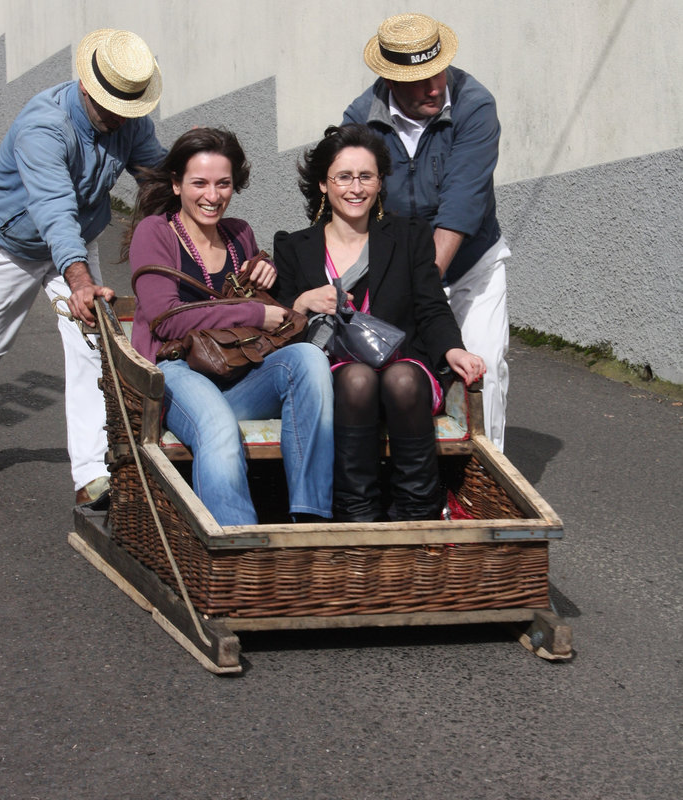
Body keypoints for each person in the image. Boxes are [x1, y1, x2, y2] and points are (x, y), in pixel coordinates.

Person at [0, 29, 168, 508]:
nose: (123, 116)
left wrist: (198, 200)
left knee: (93, 345)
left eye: (131, 106)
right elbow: (53, 208)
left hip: (74, 240)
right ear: (88, 86)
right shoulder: (44, 126)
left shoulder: (130, 121)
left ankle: (92, 474)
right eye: (115, 104)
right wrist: (80, 281)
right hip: (8, 244)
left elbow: (158, 177)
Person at [273, 124, 485, 522]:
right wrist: (303, 301)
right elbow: (279, 322)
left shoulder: (408, 236)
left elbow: (431, 305)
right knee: (357, 379)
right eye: (344, 177)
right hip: (334, 370)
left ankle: (418, 512)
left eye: (366, 176)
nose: (356, 188)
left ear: (380, 182)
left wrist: (453, 348)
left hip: (404, 362)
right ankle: (357, 513)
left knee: (400, 379)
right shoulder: (293, 246)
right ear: (323, 184)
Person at [124, 127, 334, 526]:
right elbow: (166, 318)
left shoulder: (238, 234)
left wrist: (264, 270)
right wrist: (251, 313)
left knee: (307, 358)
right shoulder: (155, 233)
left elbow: (256, 295)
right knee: (217, 423)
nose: (212, 195)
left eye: (224, 184)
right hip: (175, 372)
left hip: (236, 372)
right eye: (199, 183)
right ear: (176, 183)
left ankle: (310, 521)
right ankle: (236, 548)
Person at [342, 12, 510, 451]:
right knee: (399, 375)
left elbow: (461, 205)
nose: (434, 87)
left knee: (482, 368)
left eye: (436, 72)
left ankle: (485, 481)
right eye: (418, 81)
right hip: (401, 272)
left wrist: (420, 291)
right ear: (390, 78)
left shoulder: (475, 104)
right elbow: (356, 208)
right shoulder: (360, 121)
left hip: (473, 265)